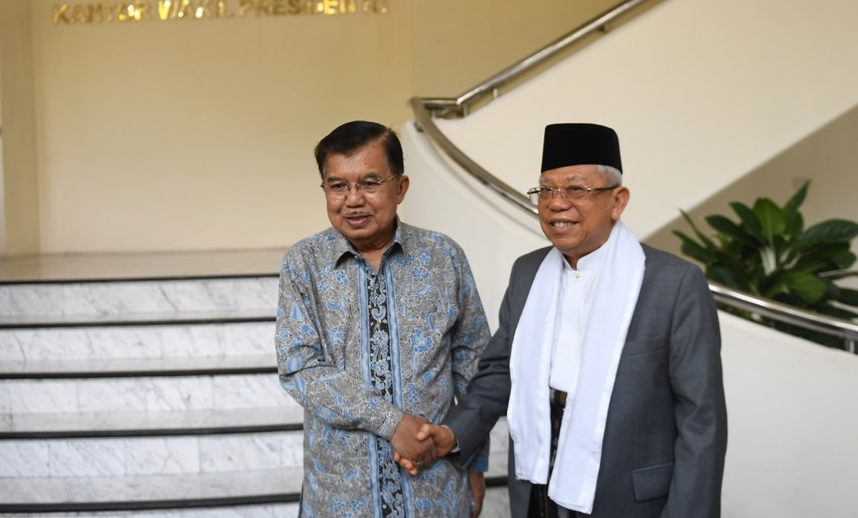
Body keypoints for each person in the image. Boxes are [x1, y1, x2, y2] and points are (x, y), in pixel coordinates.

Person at [402, 122, 728, 517]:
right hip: (537, 485)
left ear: (618, 200)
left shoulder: (674, 284)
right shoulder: (527, 273)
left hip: (627, 498)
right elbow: (498, 373)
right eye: (547, 190)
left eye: (577, 189)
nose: (557, 203)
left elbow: (701, 421)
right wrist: (452, 434)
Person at [275, 120, 491, 518]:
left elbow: (474, 367)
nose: (352, 199)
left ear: (400, 187)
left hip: (434, 489)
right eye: (338, 186)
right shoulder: (303, 264)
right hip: (341, 495)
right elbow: (299, 367)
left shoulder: (444, 258)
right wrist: (394, 424)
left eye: (370, 183)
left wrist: (473, 460)